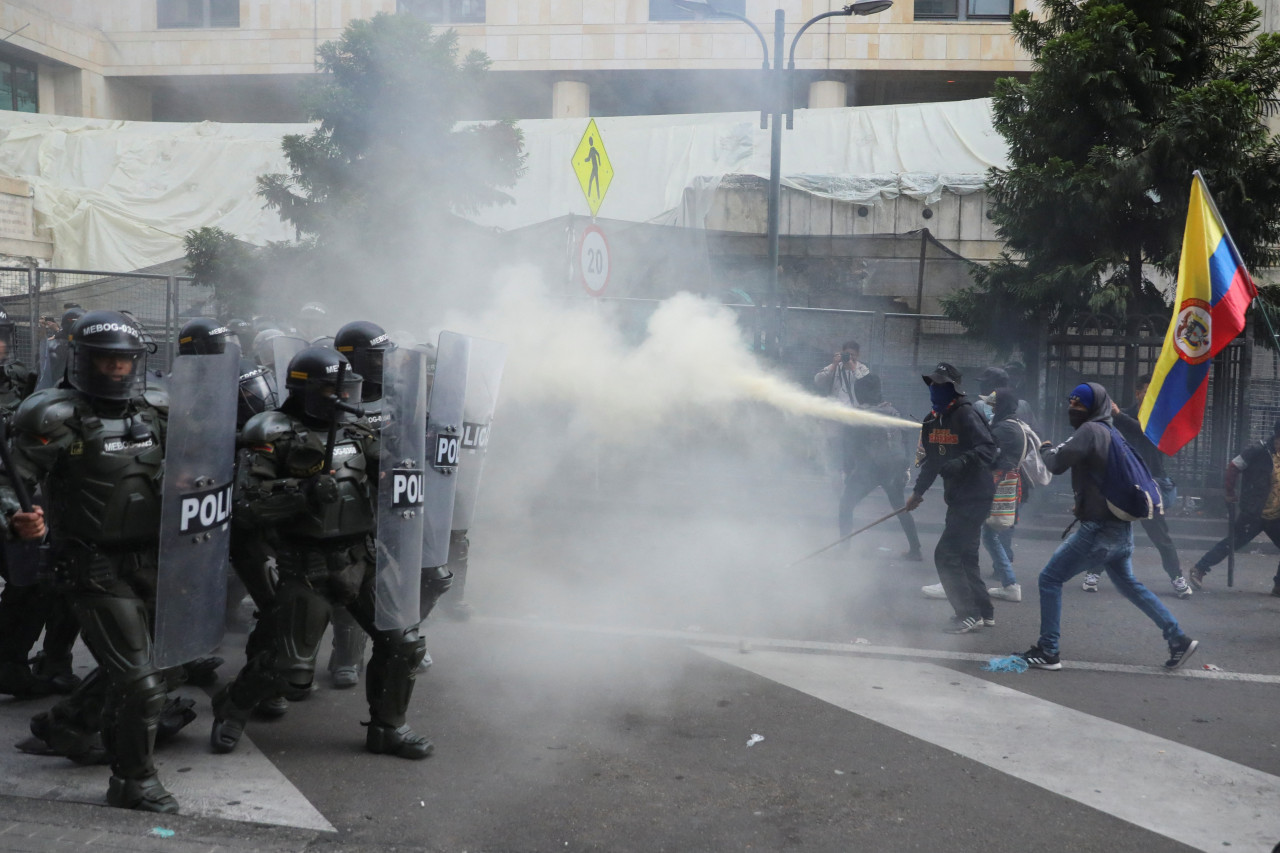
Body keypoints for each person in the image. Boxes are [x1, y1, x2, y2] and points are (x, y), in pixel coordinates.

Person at [209, 346, 434, 760]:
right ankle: (233, 706)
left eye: (350, 390)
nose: (347, 399)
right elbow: (245, 506)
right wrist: (302, 491)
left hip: (361, 556)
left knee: (403, 643)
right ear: (313, 391)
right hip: (305, 562)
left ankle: (388, 727)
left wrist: (404, 459)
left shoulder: (356, 430)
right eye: (337, 391)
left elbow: (388, 473)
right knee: (286, 664)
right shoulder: (271, 433)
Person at [0, 310, 179, 812]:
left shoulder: (157, 409)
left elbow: (195, 466)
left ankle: (69, 724)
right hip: (90, 564)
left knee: (174, 661)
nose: (116, 369)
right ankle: (133, 782)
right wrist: (16, 518)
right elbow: (8, 479)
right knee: (141, 682)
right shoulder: (54, 416)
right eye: (106, 359)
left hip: (153, 558)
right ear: (83, 359)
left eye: (124, 360)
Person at [1016, 382, 1199, 671]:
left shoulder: (1090, 431)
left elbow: (1056, 463)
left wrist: (1046, 447)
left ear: (1094, 406)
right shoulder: (1112, 432)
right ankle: (1178, 638)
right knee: (1130, 586)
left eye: (1080, 404)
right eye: (1071, 401)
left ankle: (1048, 650)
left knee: (1049, 579)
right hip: (1120, 528)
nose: (1072, 408)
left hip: (1099, 529)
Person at [0, 306, 79, 699]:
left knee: (33, 581)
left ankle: (10, 663)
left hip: (17, 491)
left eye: (1, 335)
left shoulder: (18, 378)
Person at [904, 362, 998, 633]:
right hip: (957, 497)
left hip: (975, 495)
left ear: (954, 389)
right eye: (933, 384)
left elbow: (989, 448)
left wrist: (962, 462)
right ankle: (982, 611)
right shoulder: (932, 420)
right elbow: (931, 463)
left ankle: (966, 615)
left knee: (946, 554)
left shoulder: (966, 414)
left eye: (941, 385)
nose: (935, 389)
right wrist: (917, 493)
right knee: (966, 555)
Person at [1101, 374, 1190, 598]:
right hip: (1125, 482)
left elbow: (1143, 432)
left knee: (1161, 536)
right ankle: (1093, 572)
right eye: (1147, 391)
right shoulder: (1121, 416)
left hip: (1150, 485)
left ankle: (1177, 577)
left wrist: (1118, 415)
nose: (1151, 396)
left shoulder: (1157, 418)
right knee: (1109, 531)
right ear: (1137, 392)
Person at [1188, 420, 1280, 596]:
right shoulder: (1258, 451)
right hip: (1254, 512)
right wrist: (1229, 492)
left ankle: (1279, 585)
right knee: (1232, 542)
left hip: (1276, 514)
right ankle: (1199, 568)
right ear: (1277, 436)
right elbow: (1234, 467)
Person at [837, 373, 921, 560]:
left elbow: (851, 446)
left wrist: (847, 470)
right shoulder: (892, 411)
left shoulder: (858, 415)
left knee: (846, 505)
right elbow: (903, 440)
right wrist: (905, 467)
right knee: (901, 507)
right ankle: (915, 549)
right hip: (893, 468)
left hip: (869, 471)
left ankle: (844, 549)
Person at [984, 389, 1025, 602]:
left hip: (995, 486)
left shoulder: (1005, 428)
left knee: (970, 532)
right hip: (1003, 485)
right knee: (989, 535)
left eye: (993, 406)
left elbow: (984, 450)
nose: (990, 410)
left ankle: (955, 583)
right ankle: (1010, 584)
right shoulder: (1013, 424)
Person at [814, 339, 870, 407]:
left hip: (854, 410)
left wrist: (854, 369)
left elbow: (866, 388)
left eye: (852, 355)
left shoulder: (863, 369)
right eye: (847, 354)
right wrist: (834, 365)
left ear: (858, 355)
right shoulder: (836, 366)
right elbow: (817, 381)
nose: (850, 357)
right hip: (835, 408)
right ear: (842, 353)